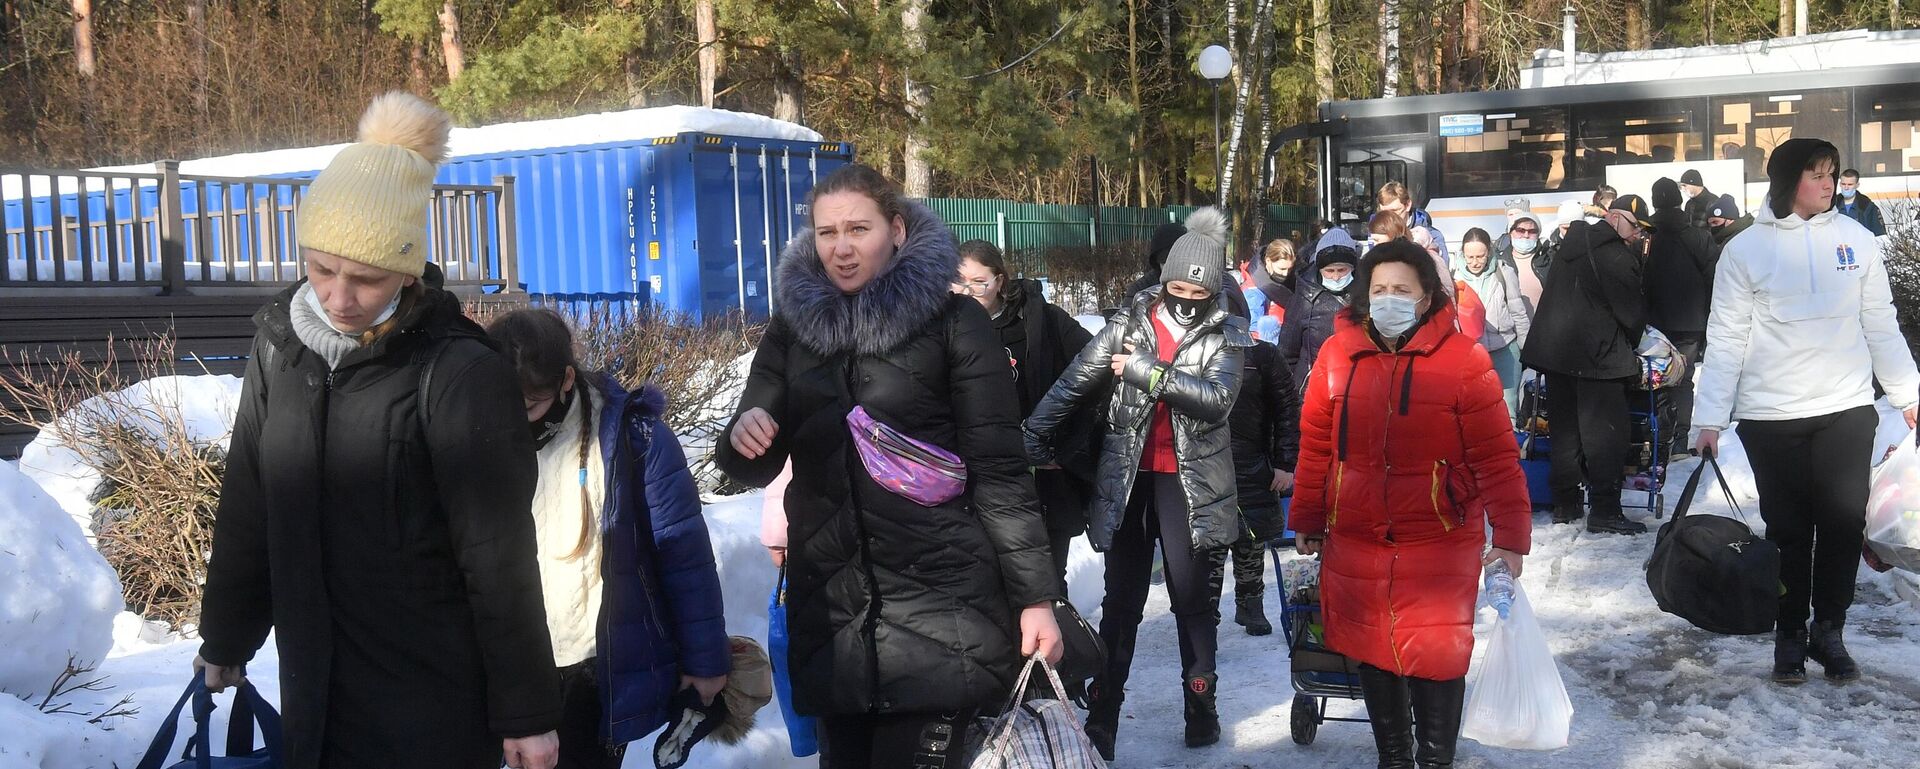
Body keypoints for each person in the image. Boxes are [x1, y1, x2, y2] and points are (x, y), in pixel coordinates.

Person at [196, 92, 564, 769]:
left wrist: (527, 710)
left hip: (429, 704)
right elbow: (250, 497)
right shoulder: (280, 345)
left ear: (406, 268)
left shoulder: (456, 368)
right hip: (314, 687)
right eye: (321, 268)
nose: (338, 297)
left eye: (364, 277)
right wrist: (225, 635)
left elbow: (498, 553)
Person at [717, 163, 1062, 769]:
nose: (842, 249)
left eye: (859, 229)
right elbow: (752, 452)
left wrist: (1036, 597)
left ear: (896, 229)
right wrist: (743, 436)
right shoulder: (793, 331)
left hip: (942, 605)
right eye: (827, 233)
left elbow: (1001, 474)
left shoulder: (956, 324)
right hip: (833, 615)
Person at [1290, 241, 1532, 769]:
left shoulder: (1464, 361)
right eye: (1379, 290)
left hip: (1440, 537)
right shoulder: (1337, 356)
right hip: (1357, 534)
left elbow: (1496, 457)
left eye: (1402, 290)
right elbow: (1316, 445)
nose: (1389, 299)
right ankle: (1393, 758)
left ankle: (1437, 759)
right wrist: (1307, 516)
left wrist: (1512, 538)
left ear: (1426, 299)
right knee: (1374, 648)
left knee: (1439, 654)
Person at [1024, 207, 1250, 757]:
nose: (1186, 299)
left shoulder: (1228, 332)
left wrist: (1146, 371)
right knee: (1121, 599)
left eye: (1198, 292)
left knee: (1191, 597)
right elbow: (1078, 378)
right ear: (1162, 278)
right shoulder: (1131, 319)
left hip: (1191, 486)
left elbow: (1217, 400)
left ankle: (1201, 703)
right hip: (1129, 479)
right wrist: (1028, 436)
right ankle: (1104, 714)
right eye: (1176, 287)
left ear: (1214, 289)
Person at [1692, 138, 1920, 686]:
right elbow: (1725, 336)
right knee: (1790, 530)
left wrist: (1907, 396)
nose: (1828, 182)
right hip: (1771, 415)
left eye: (1831, 173)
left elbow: (1880, 324)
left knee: (1844, 524)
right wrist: (1710, 417)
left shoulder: (1857, 240)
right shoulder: (1744, 251)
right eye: (1816, 174)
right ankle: (1790, 633)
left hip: (1846, 407)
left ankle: (1830, 631)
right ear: (1787, 179)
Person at [486, 309, 731, 769]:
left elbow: (683, 555)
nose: (519, 423)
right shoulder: (473, 437)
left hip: (588, 667)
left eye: (532, 406)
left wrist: (705, 661)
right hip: (507, 661)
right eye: (506, 407)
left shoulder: (635, 439)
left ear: (566, 380)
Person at [956, 239, 1097, 588]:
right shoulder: (946, 328)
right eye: (959, 282)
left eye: (980, 282)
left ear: (1000, 281)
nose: (969, 292)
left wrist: (1063, 444)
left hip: (1043, 479)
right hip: (979, 479)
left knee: (1047, 579)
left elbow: (1094, 369)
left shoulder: (1039, 320)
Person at [1520, 195, 1654, 535]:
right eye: (1636, 227)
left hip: (1557, 355)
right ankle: (1605, 510)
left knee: (1565, 432)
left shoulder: (1571, 245)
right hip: (1598, 358)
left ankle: (1566, 502)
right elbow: (1631, 315)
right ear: (1616, 219)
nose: (1638, 236)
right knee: (1605, 437)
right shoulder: (1617, 257)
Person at [1219, 337, 1299, 637]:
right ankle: (1205, 613)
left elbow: (1287, 409)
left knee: (1250, 536)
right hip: (1205, 460)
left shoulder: (1261, 355)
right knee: (1209, 546)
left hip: (1254, 458)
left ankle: (1251, 602)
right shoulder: (1190, 348)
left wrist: (1285, 461)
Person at [1644, 178, 1720, 462]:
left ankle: (1655, 439)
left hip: (1653, 322)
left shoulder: (1645, 235)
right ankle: (1678, 440)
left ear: (1654, 201)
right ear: (1678, 201)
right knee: (1683, 380)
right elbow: (1714, 278)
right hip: (1691, 322)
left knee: (1653, 379)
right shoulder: (1698, 236)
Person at [1455, 228, 1532, 420]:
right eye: (1469, 257)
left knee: (1508, 407)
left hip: (1505, 347)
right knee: (1473, 409)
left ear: (1489, 251)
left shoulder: (1504, 272)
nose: (1474, 262)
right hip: (1471, 353)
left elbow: (1518, 312)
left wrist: (1528, 349)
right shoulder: (1454, 278)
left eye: (1480, 256)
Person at [1279, 229, 1360, 390]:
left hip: (1356, 386)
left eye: (1342, 270)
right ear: (1319, 269)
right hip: (1310, 388)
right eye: (1329, 271)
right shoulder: (1303, 298)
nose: (1336, 277)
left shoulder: (1367, 294)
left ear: (1353, 268)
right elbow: (1287, 355)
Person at [1241, 238, 1298, 341]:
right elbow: (1253, 332)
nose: (1286, 274)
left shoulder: (1290, 281)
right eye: (1282, 269)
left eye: (1290, 269)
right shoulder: (1253, 291)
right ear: (1268, 261)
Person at [1377, 181, 1448, 262]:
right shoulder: (1377, 235)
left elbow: (1441, 271)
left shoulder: (1433, 236)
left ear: (1408, 205)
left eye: (1394, 211)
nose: (1389, 218)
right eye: (1384, 213)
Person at [1495, 207, 1546, 310]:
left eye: (1532, 231)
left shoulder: (1548, 259)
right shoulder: (1500, 263)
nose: (1526, 235)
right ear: (1510, 232)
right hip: (1514, 324)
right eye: (1520, 230)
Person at [1833, 169, 1888, 237]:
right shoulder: (1832, 205)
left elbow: (1879, 234)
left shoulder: (1867, 206)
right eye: (1843, 184)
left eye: (1850, 184)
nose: (1846, 188)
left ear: (1857, 185)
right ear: (1840, 184)